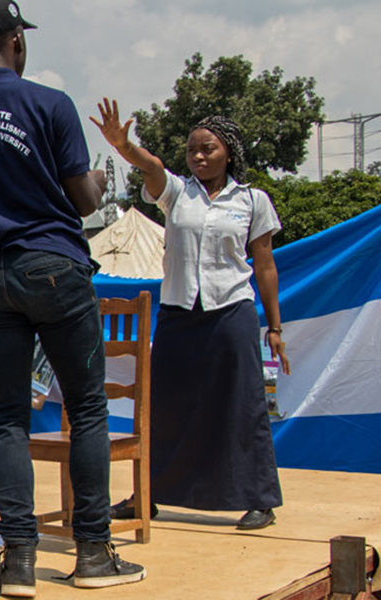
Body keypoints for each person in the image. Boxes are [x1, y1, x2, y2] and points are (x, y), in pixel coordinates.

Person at [0, 2, 145, 593]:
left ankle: (18, 563)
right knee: (87, 409)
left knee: (8, 420)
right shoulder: (50, 105)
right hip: (57, 270)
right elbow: (85, 201)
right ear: (17, 41)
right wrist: (94, 176)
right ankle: (93, 555)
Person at [92, 101, 289, 530]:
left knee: (243, 404)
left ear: (229, 153)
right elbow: (153, 166)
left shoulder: (253, 201)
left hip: (231, 310)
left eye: (208, 149)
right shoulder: (178, 193)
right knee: (164, 406)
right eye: (193, 150)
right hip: (181, 313)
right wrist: (124, 147)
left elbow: (265, 265)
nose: (199, 156)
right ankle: (148, 494)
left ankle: (259, 500)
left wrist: (274, 326)